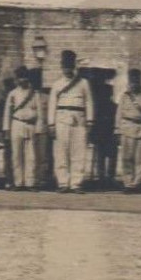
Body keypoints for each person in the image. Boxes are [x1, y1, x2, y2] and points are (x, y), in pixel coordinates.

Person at [48, 50, 95, 192]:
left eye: (69, 66)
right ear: (62, 67)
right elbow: (52, 105)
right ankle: (63, 183)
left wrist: (90, 121)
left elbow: (89, 102)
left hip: (79, 121)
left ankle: (76, 183)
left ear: (74, 66)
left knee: (78, 153)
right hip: (61, 120)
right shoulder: (57, 84)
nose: (67, 69)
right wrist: (51, 124)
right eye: (65, 66)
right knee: (61, 152)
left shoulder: (83, 83)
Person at [2, 67, 42, 190]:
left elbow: (40, 113)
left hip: (30, 125)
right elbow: (7, 113)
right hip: (16, 124)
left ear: (28, 78)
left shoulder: (35, 94)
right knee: (16, 154)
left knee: (31, 155)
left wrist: (39, 129)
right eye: (19, 78)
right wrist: (6, 129)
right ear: (17, 79)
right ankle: (18, 182)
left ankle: (30, 182)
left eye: (24, 77)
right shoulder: (13, 94)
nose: (22, 80)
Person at [116, 68, 141, 191]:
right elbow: (119, 113)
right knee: (127, 157)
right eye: (131, 82)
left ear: (139, 82)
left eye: (135, 82)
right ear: (129, 83)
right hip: (127, 128)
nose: (133, 85)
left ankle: (137, 183)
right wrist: (117, 130)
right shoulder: (124, 97)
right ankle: (128, 183)